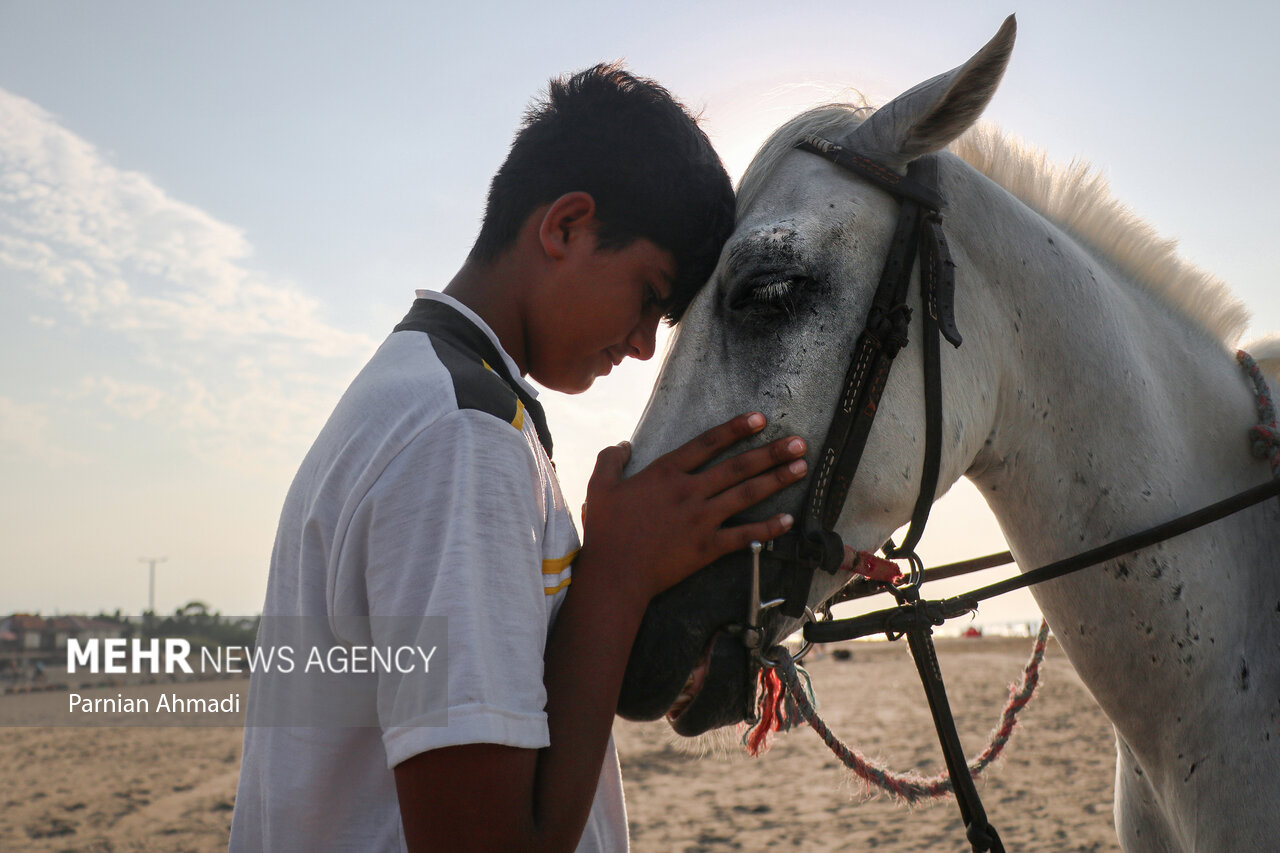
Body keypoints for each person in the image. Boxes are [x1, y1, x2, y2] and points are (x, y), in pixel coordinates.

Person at [229, 63, 808, 853]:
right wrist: (618, 574)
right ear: (566, 225)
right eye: (648, 294)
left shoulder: (434, 393)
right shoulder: (457, 440)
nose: (643, 345)